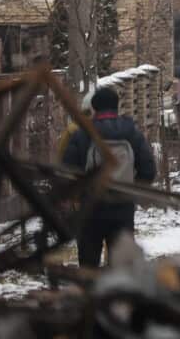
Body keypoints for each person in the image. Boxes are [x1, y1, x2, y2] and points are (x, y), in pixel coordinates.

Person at [62, 87, 156, 268]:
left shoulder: (82, 134)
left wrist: (78, 196)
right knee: (121, 267)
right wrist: (132, 191)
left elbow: (67, 171)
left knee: (88, 266)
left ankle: (89, 286)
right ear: (117, 106)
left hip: (90, 209)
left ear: (94, 107)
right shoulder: (131, 133)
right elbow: (148, 169)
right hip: (123, 208)